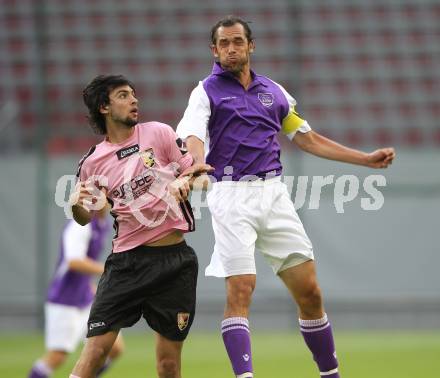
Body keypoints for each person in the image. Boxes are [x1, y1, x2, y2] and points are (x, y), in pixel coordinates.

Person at [176, 15, 396, 378]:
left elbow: (306, 138)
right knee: (241, 290)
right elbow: (193, 133)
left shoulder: (273, 92)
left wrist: (365, 159)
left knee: (310, 293)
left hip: (274, 195)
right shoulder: (205, 92)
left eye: (237, 41)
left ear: (251, 46)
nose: (231, 49)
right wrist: (197, 162)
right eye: (224, 44)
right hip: (231, 196)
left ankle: (331, 374)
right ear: (214, 51)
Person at [68, 74, 212, 378]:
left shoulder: (159, 134)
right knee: (94, 354)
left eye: (134, 94)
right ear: (104, 107)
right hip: (126, 266)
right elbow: (87, 216)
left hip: (175, 263)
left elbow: (202, 177)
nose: (134, 100)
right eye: (123, 95)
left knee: (169, 366)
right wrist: (77, 205)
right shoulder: (92, 163)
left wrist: (186, 181)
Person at [28, 206, 124, 378]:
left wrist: (90, 286)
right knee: (57, 357)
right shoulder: (80, 224)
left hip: (86, 298)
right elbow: (73, 261)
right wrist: (108, 269)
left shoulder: (102, 223)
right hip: (65, 299)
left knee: (114, 349)